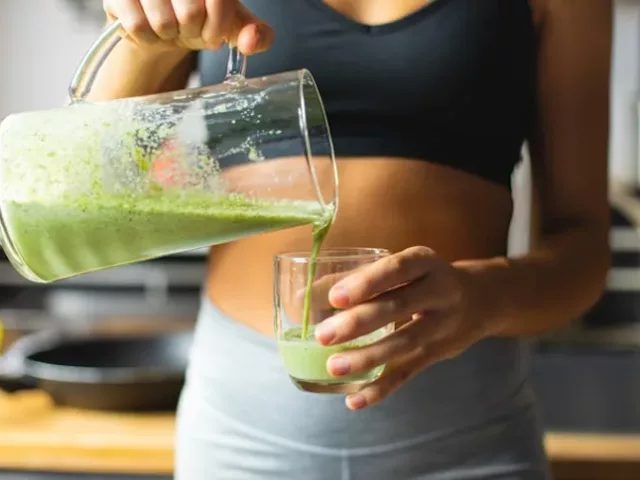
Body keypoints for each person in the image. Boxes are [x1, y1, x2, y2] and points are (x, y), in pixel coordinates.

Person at [93, 1, 612, 478]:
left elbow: (583, 247)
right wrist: (138, 45)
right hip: (241, 439)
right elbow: (93, 193)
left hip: (467, 439)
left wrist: (482, 296)